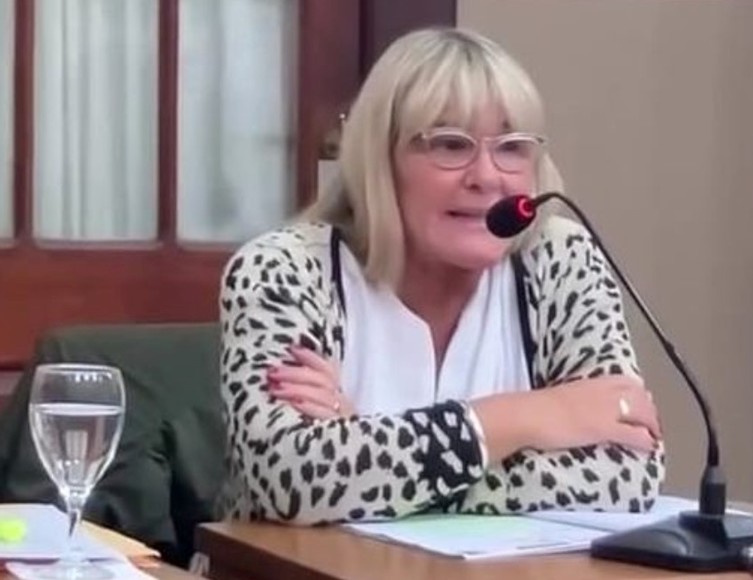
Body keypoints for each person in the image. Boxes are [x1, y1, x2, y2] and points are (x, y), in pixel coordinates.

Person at [218, 27, 664, 525]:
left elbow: (631, 469)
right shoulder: (283, 269)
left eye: (512, 147)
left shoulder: (560, 258)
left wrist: (368, 453)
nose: (487, 176)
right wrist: (534, 415)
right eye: (451, 145)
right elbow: (293, 479)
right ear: (380, 160)